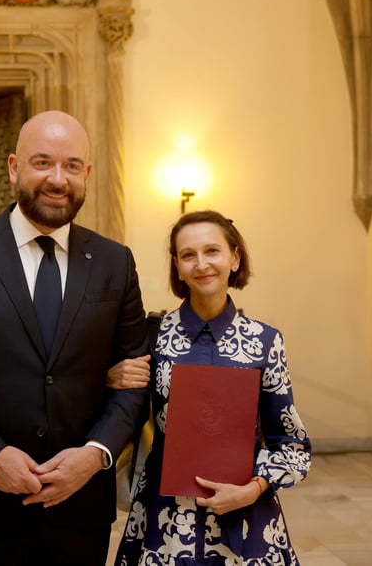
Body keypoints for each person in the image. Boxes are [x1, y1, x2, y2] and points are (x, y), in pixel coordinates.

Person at [0, 110, 150, 566]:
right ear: (15, 167)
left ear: (87, 174)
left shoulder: (115, 262)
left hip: (80, 505)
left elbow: (134, 379)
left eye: (72, 166)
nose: (58, 178)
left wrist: (96, 455)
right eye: (43, 162)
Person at [108, 210, 311, 565]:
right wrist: (109, 379)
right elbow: (121, 410)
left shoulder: (265, 341)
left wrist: (254, 488)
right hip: (166, 518)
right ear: (178, 266)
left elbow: (291, 445)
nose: (201, 264)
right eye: (188, 255)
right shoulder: (151, 337)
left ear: (235, 258)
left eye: (212, 251)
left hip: (247, 518)